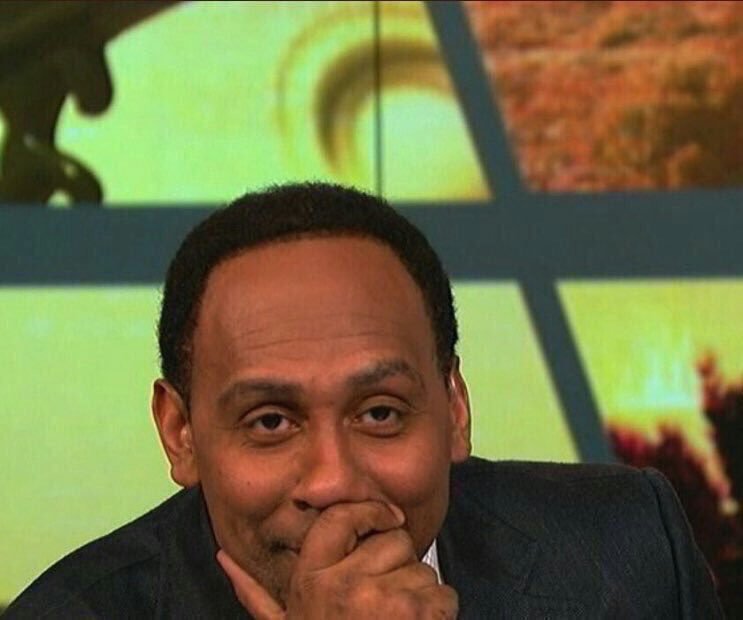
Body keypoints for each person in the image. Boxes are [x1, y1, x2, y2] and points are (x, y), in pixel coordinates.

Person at [6, 183, 722, 618]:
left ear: (455, 408)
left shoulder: (625, 547)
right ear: (180, 432)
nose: (333, 481)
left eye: (380, 413)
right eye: (270, 422)